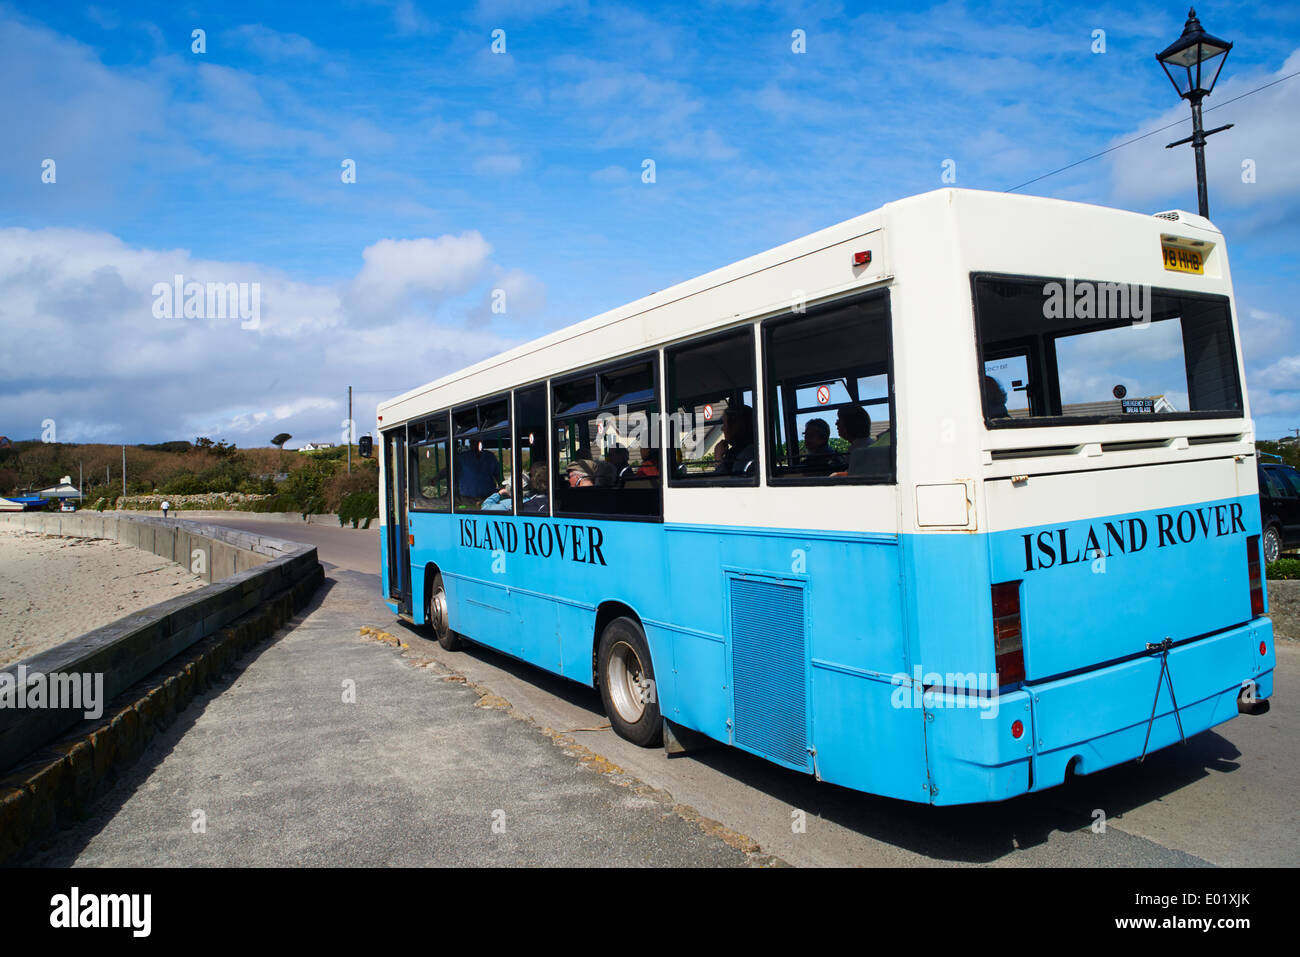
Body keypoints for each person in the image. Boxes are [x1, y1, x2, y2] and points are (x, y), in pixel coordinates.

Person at [715, 405, 756, 476]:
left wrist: (718, 459)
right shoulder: (734, 452)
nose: (722, 429)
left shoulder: (747, 455)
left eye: (724, 424)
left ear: (734, 427)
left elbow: (729, 483)